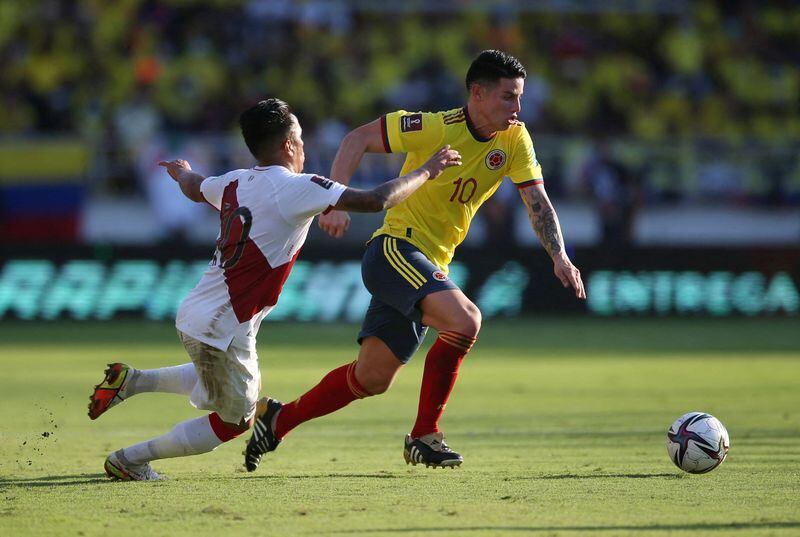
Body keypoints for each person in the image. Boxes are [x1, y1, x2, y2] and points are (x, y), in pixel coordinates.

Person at [244, 50, 585, 472]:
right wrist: (332, 202)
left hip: (427, 263)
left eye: (520, 98)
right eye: (507, 97)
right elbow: (356, 139)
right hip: (394, 249)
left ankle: (277, 420)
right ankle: (425, 436)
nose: (517, 109)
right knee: (465, 321)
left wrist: (560, 256)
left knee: (371, 378)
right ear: (477, 94)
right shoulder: (435, 128)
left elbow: (537, 201)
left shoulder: (515, 140)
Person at [87, 98, 461, 481]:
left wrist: (183, 171)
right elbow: (375, 199)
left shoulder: (233, 180)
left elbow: (195, 188)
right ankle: (129, 460)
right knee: (235, 420)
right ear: (288, 145)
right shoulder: (296, 187)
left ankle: (132, 381)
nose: (303, 145)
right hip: (221, 324)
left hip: (215, 315)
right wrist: (427, 171)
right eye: (299, 136)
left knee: (228, 383)